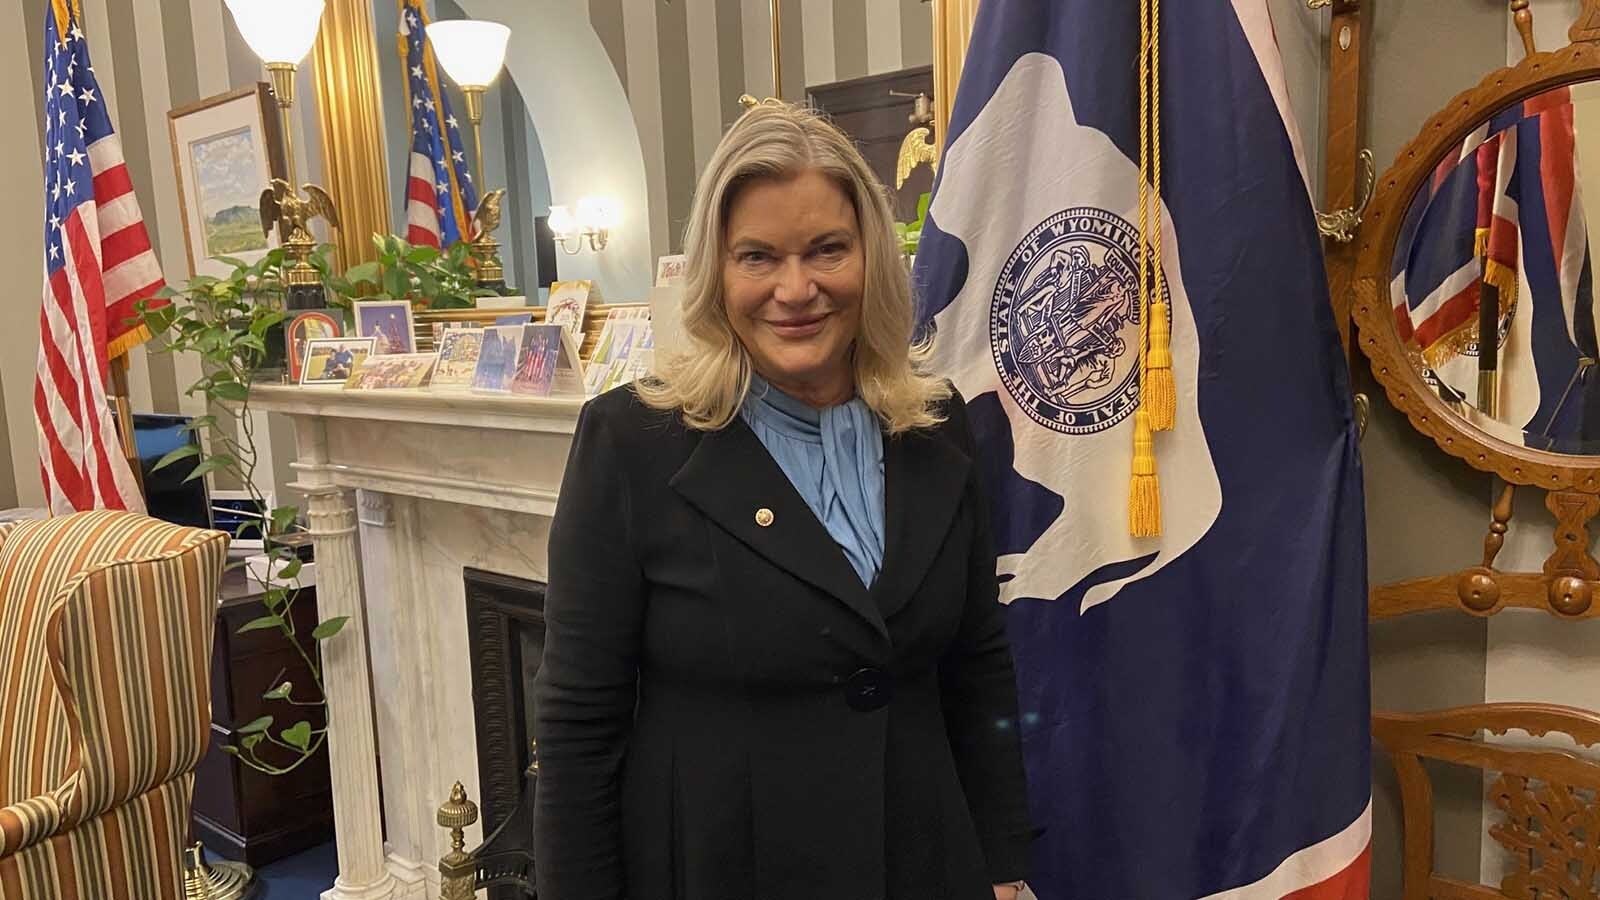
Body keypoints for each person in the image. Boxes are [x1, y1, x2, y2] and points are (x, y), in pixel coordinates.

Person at [534, 101, 1034, 900]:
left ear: (871, 255)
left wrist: (1003, 864)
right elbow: (576, 727)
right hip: (718, 864)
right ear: (715, 272)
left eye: (827, 250)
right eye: (757, 256)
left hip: (921, 857)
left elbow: (978, 665)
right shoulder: (630, 442)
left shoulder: (939, 426)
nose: (794, 289)